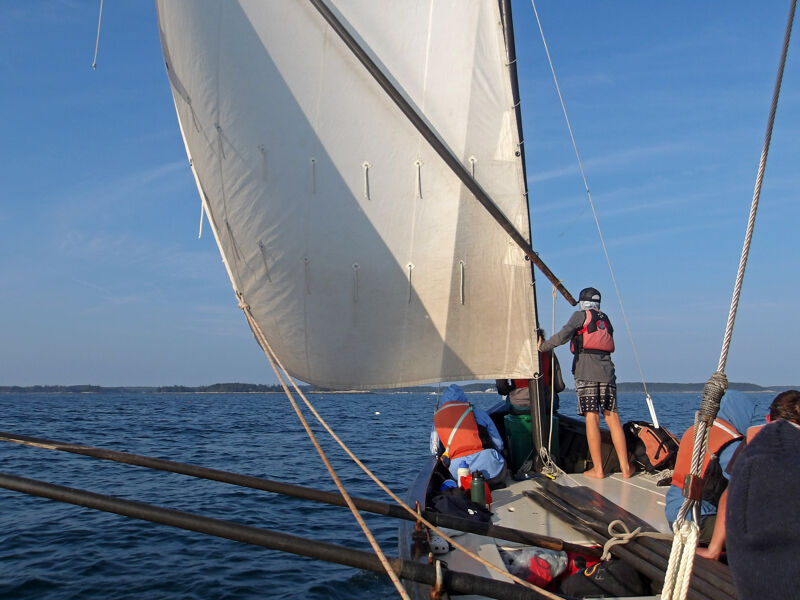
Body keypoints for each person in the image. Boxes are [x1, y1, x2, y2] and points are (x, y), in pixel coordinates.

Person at [538, 287, 634, 478]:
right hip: (607, 373)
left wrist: (542, 347)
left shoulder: (579, 316)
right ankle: (625, 468)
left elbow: (562, 336)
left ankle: (598, 469)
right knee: (612, 417)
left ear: (583, 302)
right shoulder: (605, 318)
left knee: (592, 418)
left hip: (586, 372)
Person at [664, 390, 761, 559]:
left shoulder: (696, 430)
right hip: (697, 518)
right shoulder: (730, 442)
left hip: (675, 512)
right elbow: (751, 482)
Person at [726, 390, 800, 599]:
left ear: (768, 419)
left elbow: (726, 498)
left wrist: (714, 550)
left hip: (750, 580)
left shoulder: (750, 450)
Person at [430, 384, 507, 485]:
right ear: (464, 399)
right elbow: (499, 444)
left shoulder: (437, 422)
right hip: (493, 472)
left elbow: (434, 450)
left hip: (460, 476)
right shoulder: (479, 414)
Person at [496, 329, 565, 414]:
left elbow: (501, 387)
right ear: (540, 338)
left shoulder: (510, 354)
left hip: (519, 403)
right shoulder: (549, 353)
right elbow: (559, 386)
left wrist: (513, 390)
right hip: (547, 403)